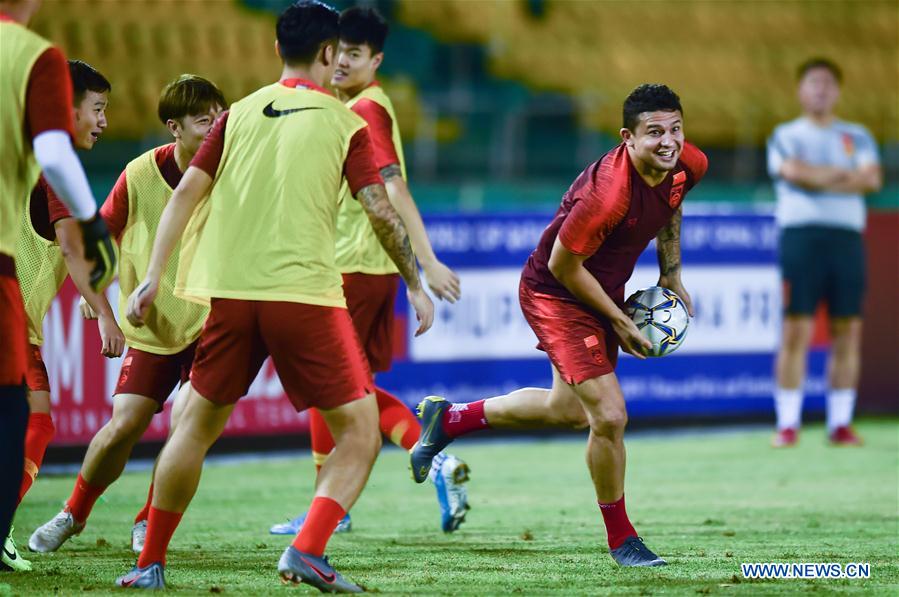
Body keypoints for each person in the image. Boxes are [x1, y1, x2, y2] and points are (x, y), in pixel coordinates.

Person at [116, 1, 432, 591]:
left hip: (231, 294)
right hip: (304, 295)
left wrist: (153, 274)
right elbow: (379, 210)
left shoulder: (235, 114)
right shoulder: (344, 121)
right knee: (359, 431)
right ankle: (307, 550)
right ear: (329, 53)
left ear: (278, 49)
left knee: (193, 428)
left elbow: (184, 194)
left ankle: (148, 563)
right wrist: (415, 282)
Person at [409, 84, 708, 568]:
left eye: (675, 129)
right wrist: (618, 320)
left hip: (600, 289)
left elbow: (672, 200)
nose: (668, 141)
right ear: (627, 138)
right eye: (655, 132)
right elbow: (563, 266)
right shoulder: (607, 193)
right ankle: (622, 539)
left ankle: (449, 420)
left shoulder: (687, 162)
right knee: (609, 416)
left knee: (567, 411)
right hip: (556, 293)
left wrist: (670, 274)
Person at [270, 5, 469, 539]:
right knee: (347, 389)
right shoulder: (358, 105)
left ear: (375, 60)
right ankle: (424, 464)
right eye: (339, 52)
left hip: (352, 267)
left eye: (355, 54)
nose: (342, 62)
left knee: (330, 387)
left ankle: (422, 461)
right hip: (366, 266)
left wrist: (425, 264)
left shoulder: (365, 109)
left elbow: (393, 188)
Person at [28, 74, 227, 556]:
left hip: (214, 324)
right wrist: (96, 290)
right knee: (124, 425)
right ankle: (73, 513)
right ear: (174, 128)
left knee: (186, 427)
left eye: (221, 118)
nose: (217, 128)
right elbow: (102, 233)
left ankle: (147, 520)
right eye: (205, 121)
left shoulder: (234, 173)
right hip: (153, 323)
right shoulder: (140, 174)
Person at [0, 0, 115, 572]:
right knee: (34, 422)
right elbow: (74, 248)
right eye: (97, 109)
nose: (103, 122)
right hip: (13, 321)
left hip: (21, 319)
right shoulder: (53, 169)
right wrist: (106, 310)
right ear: (64, 106)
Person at [767, 58, 882, 448]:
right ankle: (788, 423)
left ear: (838, 91)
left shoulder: (857, 136)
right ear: (801, 89)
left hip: (846, 239)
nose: (821, 90)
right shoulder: (785, 134)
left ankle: (840, 423)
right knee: (796, 327)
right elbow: (794, 174)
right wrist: (843, 175)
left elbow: (872, 179)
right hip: (802, 237)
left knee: (847, 328)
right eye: (814, 82)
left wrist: (817, 176)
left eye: (828, 83)